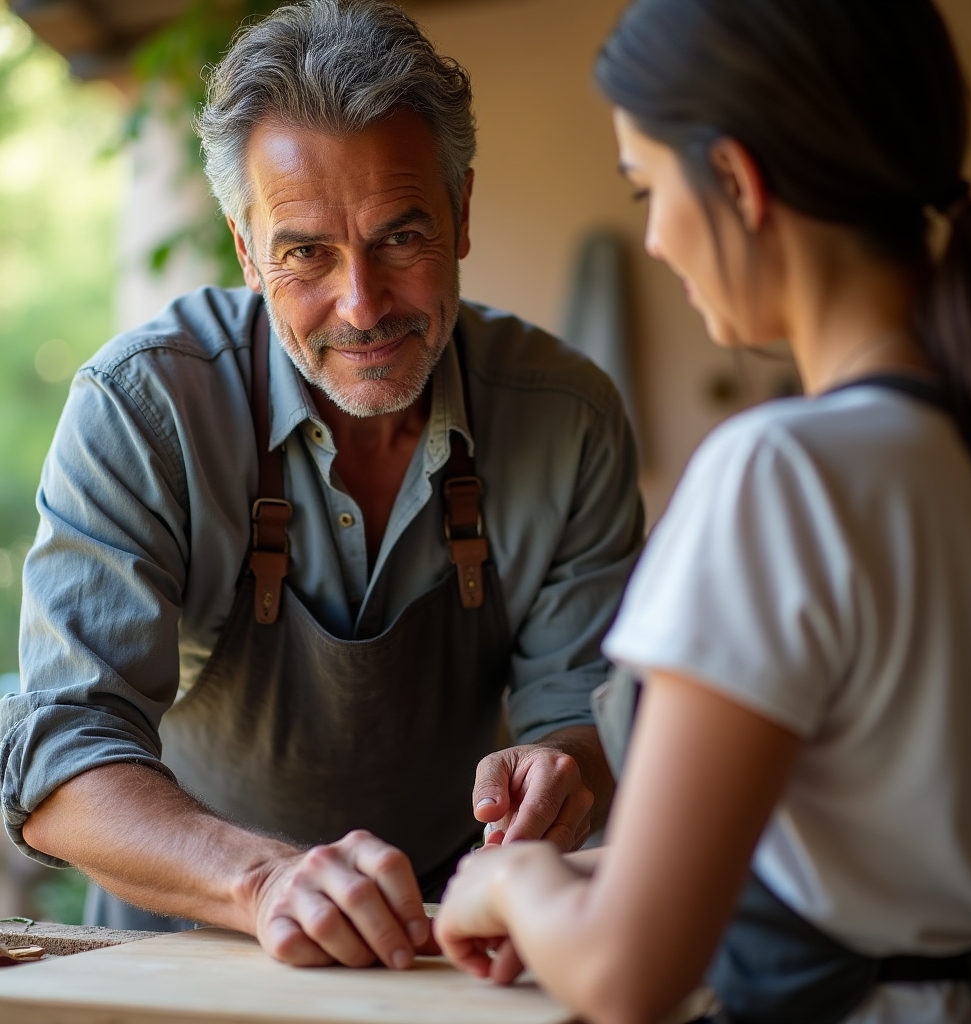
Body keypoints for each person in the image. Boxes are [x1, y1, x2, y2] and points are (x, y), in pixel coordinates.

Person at [0, 0, 643, 971]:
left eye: (400, 237)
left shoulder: (570, 417)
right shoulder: (145, 408)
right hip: (184, 954)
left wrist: (565, 772)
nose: (362, 304)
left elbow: (584, 711)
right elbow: (56, 760)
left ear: (462, 212)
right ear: (246, 247)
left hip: (447, 954)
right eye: (306, 252)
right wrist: (263, 882)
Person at [434, 1, 971, 1022]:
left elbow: (628, 974)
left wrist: (507, 883)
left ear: (739, 183)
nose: (654, 239)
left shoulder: (782, 472)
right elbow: (870, 850)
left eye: (647, 187)